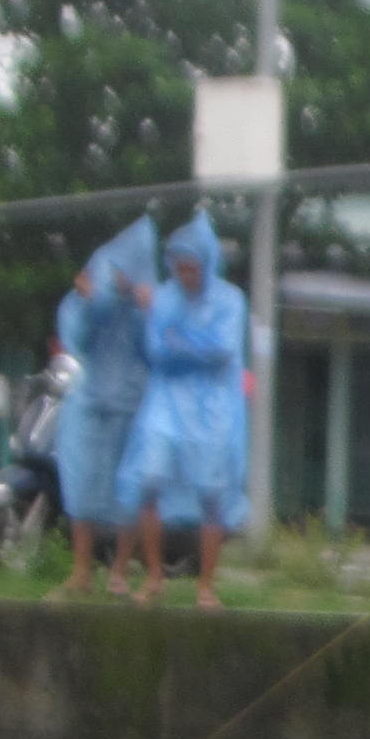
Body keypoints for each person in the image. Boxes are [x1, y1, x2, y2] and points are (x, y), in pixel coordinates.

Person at [114, 212, 251, 610]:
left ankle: (205, 585)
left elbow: (221, 349)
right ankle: (154, 575)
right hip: (166, 404)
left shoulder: (230, 299)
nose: (185, 275)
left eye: (192, 268)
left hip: (212, 411)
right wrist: (184, 344)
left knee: (212, 495)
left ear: (206, 265)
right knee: (149, 481)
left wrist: (180, 341)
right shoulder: (165, 296)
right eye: (179, 268)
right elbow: (156, 350)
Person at [53, 213, 156, 601]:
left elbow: (158, 350)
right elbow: (73, 338)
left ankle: (119, 570)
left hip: (132, 404)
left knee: (127, 487)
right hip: (89, 399)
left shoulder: (151, 303)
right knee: (82, 483)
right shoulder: (86, 297)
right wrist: (87, 300)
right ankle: (81, 571)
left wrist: (148, 310)